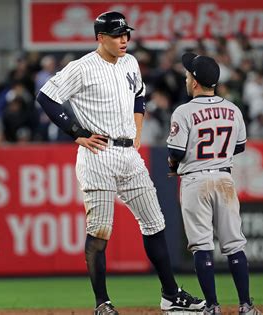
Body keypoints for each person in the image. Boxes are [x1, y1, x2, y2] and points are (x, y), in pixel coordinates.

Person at [36, 11, 205, 315]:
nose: (124, 39)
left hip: (129, 155)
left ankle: (171, 293)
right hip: (98, 154)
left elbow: (139, 95)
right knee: (99, 231)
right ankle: (103, 303)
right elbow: (46, 96)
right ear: (101, 38)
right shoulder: (82, 67)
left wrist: (138, 129)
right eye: (117, 35)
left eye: (126, 34)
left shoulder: (130, 62)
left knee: (155, 223)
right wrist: (77, 133)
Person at [166, 52, 262, 315]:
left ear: (195, 81)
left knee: (202, 245)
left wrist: (173, 165)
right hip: (224, 178)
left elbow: (175, 152)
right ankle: (246, 306)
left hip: (195, 180)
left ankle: (212, 307)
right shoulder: (233, 109)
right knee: (234, 244)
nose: (186, 77)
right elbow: (239, 146)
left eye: (188, 74)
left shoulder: (184, 111)